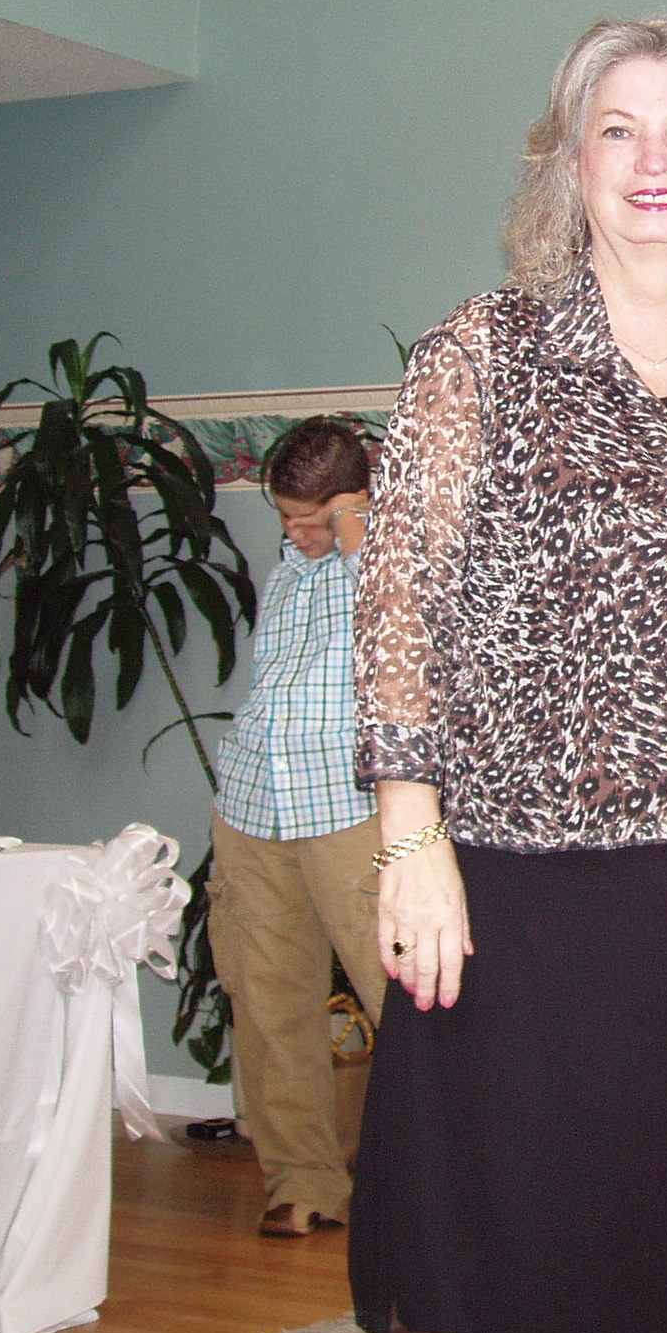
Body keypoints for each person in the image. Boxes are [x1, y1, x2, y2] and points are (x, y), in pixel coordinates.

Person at [351, 18, 667, 1333]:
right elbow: (400, 601)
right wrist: (410, 843)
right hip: (531, 893)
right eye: (619, 129)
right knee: (550, 1282)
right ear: (570, 164)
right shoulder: (485, 352)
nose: (653, 159)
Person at [210, 416, 388, 1239]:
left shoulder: (385, 557)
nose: (294, 534)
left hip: (349, 810)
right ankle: (304, 1181)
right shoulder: (291, 567)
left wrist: (355, 529)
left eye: (311, 519)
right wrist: (319, 534)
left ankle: (456, 1189)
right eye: (285, 518)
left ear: (354, 500)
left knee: (406, 1000)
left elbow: (403, 622)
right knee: (268, 999)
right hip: (253, 805)